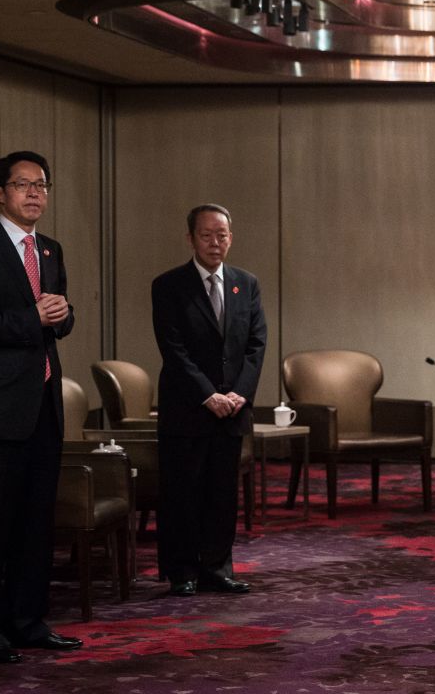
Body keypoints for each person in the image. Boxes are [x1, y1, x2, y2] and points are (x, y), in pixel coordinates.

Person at [0, 151, 81, 663]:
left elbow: (58, 320)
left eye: (42, 185)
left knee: (35, 522)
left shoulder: (49, 250)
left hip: (43, 404)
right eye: (23, 185)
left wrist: (63, 315)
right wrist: (33, 317)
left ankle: (29, 620)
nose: (34, 194)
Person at [152, 203, 266, 597]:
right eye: (206, 235)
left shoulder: (245, 283)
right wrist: (208, 395)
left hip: (232, 409)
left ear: (231, 238)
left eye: (222, 235)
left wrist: (239, 393)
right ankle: (181, 571)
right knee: (183, 493)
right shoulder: (168, 285)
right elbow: (173, 348)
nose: (215, 243)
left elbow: (255, 344)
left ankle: (217, 568)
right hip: (187, 408)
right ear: (190, 239)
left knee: (221, 494)